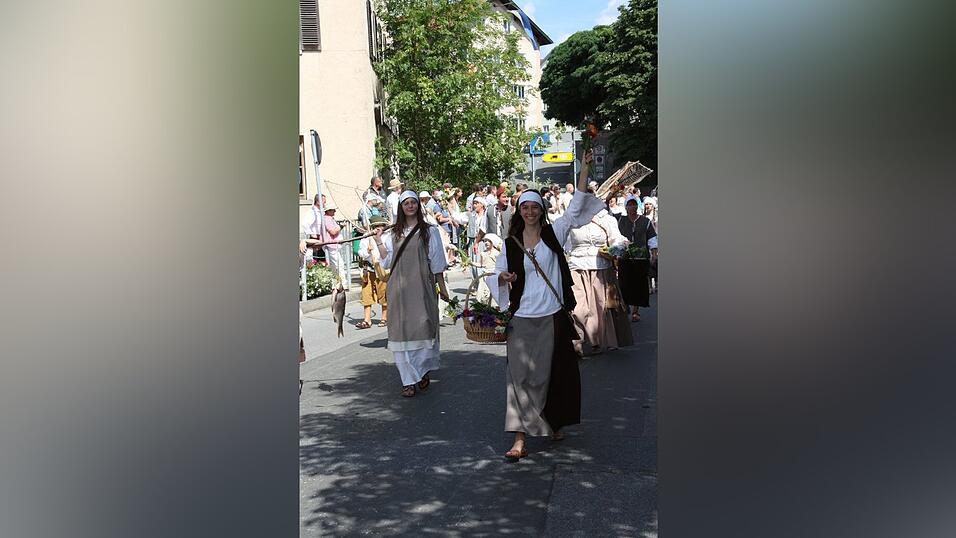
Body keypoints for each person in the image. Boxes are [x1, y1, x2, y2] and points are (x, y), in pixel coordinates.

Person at [485, 150, 604, 461]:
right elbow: (495, 273)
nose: (529, 211)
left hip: (551, 316)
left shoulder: (555, 233)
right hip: (521, 318)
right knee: (518, 378)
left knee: (547, 375)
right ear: (518, 211)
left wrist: (585, 168)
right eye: (524, 207)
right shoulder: (510, 243)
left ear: (542, 209)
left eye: (534, 206)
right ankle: (520, 438)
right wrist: (504, 276)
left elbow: (577, 203)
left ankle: (550, 420)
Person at [370, 191, 451, 397]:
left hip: (422, 286)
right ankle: (407, 379)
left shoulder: (429, 231)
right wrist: (378, 240)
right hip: (398, 288)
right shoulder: (392, 233)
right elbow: (387, 261)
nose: (410, 206)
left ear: (418, 205)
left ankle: (422, 370)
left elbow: (438, 262)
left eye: (413, 202)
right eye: (406, 203)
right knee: (401, 333)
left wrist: (442, 288)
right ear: (401, 207)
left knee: (424, 327)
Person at [565, 198, 633, 355]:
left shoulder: (606, 219)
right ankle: (577, 340)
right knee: (577, 307)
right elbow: (564, 241)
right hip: (576, 266)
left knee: (599, 307)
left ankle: (594, 341)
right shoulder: (572, 219)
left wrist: (617, 248)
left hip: (600, 266)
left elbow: (616, 238)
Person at [616, 196, 658, 322]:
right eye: (629, 204)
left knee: (638, 285)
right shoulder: (620, 221)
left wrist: (654, 253)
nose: (632, 207)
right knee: (624, 284)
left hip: (641, 258)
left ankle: (635, 311)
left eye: (634, 204)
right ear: (626, 207)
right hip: (625, 258)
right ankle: (626, 306)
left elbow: (651, 238)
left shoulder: (645, 221)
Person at [356, 216, 389, 329]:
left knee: (383, 293)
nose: (378, 228)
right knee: (366, 294)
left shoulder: (387, 237)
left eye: (381, 226)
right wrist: (367, 251)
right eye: (376, 226)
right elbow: (361, 252)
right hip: (369, 268)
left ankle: (384, 318)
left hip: (382, 268)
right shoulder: (367, 237)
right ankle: (367, 320)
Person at [467, 197, 489, 280]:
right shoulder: (472, 215)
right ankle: (475, 283)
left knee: (482, 262)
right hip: (474, 241)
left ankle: (483, 283)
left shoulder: (486, 215)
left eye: (476, 203)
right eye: (474, 203)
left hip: (483, 242)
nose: (474, 205)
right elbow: (459, 218)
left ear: (482, 205)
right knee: (474, 262)